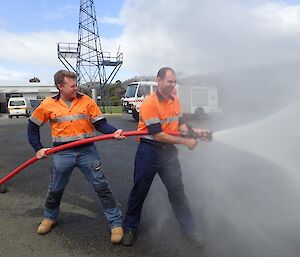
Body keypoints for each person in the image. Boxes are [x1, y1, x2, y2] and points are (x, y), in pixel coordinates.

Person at [27, 70, 125, 244]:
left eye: (76, 84)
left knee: (101, 186)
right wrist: (38, 148)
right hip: (62, 153)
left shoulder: (86, 101)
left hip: (87, 151)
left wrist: (114, 131)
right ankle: (49, 217)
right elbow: (32, 126)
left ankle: (115, 223)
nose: (76, 88)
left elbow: (100, 123)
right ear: (60, 86)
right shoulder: (47, 104)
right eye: (72, 85)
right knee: (55, 189)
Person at [122, 67, 210, 246]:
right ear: (159, 81)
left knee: (177, 193)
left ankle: (189, 230)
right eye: (169, 81)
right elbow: (158, 134)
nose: (172, 85)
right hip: (149, 152)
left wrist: (189, 133)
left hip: (168, 153)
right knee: (139, 192)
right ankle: (130, 228)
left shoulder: (175, 100)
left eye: (174, 81)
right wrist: (186, 143)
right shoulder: (149, 104)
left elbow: (181, 123)